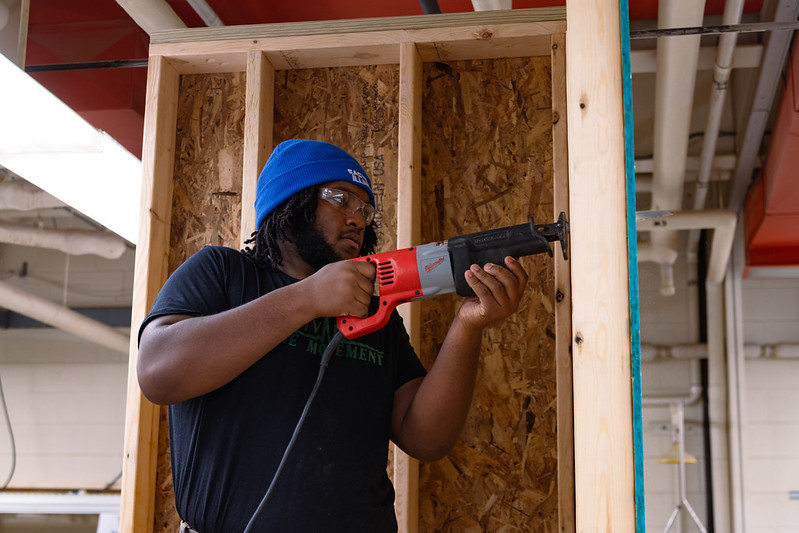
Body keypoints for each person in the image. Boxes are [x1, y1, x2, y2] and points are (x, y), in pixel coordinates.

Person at [137, 139, 529, 532]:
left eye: (364, 208)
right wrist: (307, 298)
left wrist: (468, 326)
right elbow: (158, 372)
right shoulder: (223, 273)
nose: (358, 218)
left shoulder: (374, 311)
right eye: (340, 199)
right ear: (291, 203)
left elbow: (426, 438)